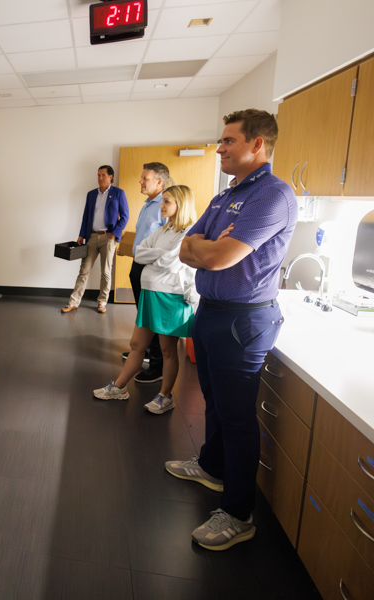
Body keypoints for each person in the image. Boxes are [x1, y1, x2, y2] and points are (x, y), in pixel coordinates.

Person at [166, 109, 297, 551]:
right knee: (214, 403)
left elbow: (219, 257)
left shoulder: (273, 195)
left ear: (257, 144)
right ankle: (212, 467)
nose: (219, 148)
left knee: (238, 416)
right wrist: (207, 247)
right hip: (212, 311)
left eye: (228, 141)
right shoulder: (228, 195)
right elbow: (186, 246)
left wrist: (210, 248)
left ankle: (239, 514)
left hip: (244, 320)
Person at [93, 185, 199, 413]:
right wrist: (155, 256)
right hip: (151, 293)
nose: (161, 205)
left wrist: (153, 257)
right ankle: (120, 387)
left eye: (167, 201)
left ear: (181, 205)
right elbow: (139, 251)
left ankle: (165, 396)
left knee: (168, 350)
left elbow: (169, 262)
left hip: (171, 297)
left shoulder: (189, 232)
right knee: (136, 345)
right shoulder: (165, 230)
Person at [123, 162, 170, 384]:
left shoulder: (165, 206)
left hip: (151, 269)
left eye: (145, 178)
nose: (140, 181)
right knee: (143, 314)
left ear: (159, 181)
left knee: (151, 317)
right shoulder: (148, 204)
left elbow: (166, 243)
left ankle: (157, 365)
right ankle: (144, 352)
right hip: (138, 265)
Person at [61, 165, 129, 314]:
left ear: (110, 176)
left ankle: (102, 302)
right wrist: (82, 234)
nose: (99, 178)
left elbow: (125, 217)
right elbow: (86, 215)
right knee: (83, 270)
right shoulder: (91, 194)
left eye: (103, 175)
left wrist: (114, 233)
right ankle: (73, 302)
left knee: (106, 272)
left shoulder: (118, 193)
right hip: (91, 236)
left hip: (108, 237)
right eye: (98, 175)